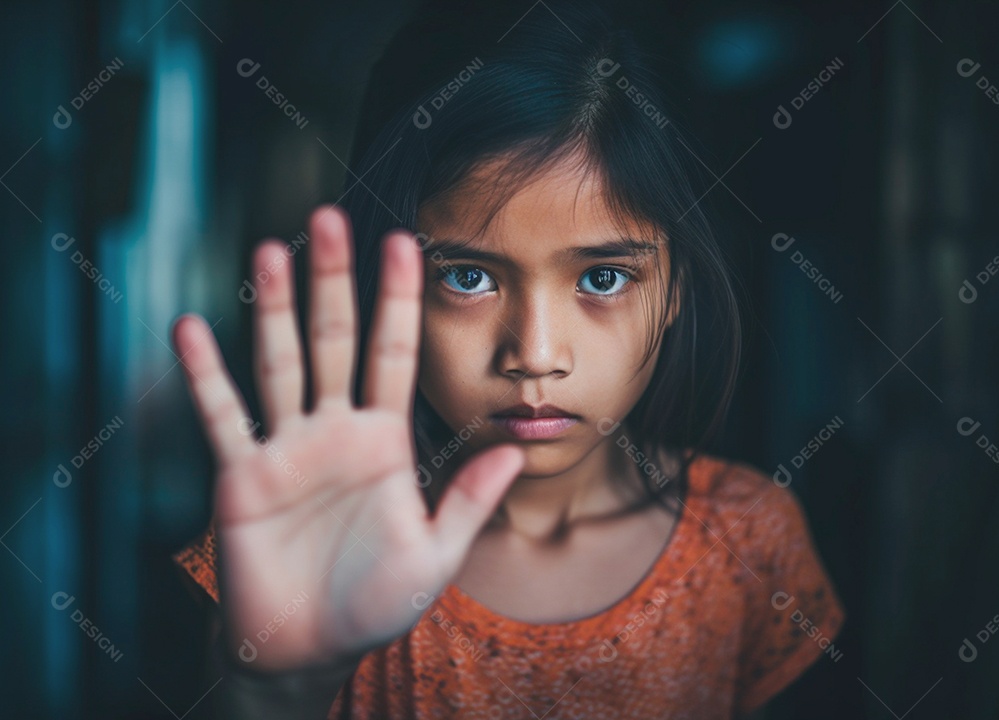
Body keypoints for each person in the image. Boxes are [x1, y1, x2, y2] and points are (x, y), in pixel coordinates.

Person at [169, 1, 845, 717]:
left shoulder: (748, 542)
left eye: (603, 278)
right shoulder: (309, 547)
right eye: (468, 277)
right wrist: (277, 691)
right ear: (387, 277)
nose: (536, 356)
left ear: (676, 285)